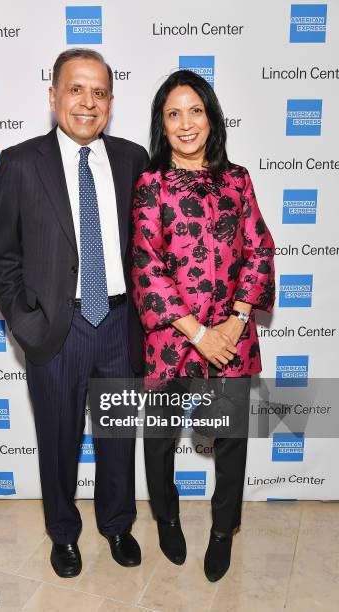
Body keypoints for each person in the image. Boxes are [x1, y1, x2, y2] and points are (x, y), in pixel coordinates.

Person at [0, 48, 149, 578]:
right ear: (53, 95)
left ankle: (118, 523)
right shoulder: (19, 162)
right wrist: (25, 322)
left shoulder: (132, 159)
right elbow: (4, 258)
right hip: (57, 330)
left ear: (110, 102)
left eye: (99, 92)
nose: (87, 102)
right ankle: (63, 532)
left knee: (118, 438)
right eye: (76, 89)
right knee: (58, 440)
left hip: (121, 326)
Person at [131, 69, 275, 581]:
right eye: (174, 114)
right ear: (161, 125)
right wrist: (198, 333)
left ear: (211, 117)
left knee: (232, 439)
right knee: (161, 436)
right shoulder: (150, 185)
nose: (186, 123)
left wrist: (235, 323)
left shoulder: (238, 179)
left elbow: (259, 249)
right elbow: (147, 266)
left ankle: (221, 532)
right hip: (174, 339)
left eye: (195, 111)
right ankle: (167, 519)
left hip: (232, 336)